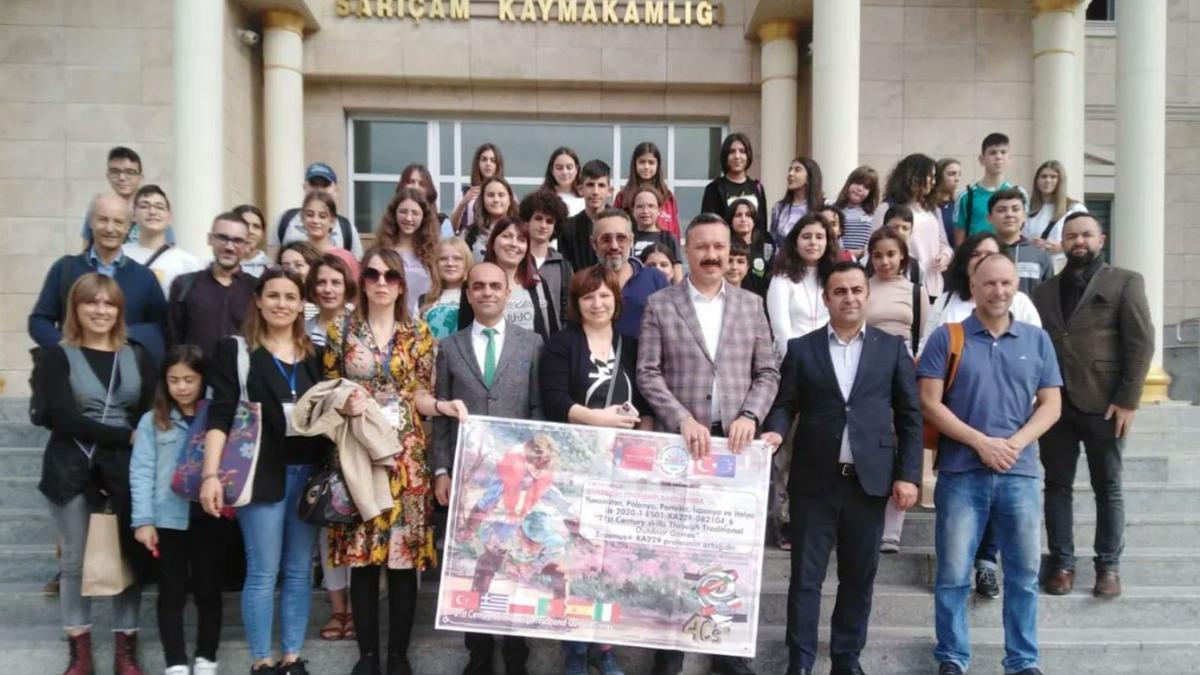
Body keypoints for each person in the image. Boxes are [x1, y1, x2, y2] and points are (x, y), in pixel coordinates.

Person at [761, 261, 922, 675]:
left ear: (866, 294)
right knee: (805, 580)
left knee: (858, 578)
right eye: (839, 291)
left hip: (869, 484)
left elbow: (909, 415)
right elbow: (785, 404)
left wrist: (909, 474)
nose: (849, 297)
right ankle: (799, 662)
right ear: (826, 298)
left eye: (855, 290)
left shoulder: (891, 349)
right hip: (815, 483)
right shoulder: (803, 348)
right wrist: (775, 432)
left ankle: (846, 659)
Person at [637, 213, 780, 675]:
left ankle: (725, 650)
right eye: (702, 247)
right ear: (686, 248)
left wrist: (751, 414)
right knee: (674, 551)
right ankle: (669, 653)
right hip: (681, 447)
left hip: (734, 449)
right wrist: (680, 418)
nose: (712, 255)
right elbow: (647, 373)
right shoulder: (660, 304)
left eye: (720, 247)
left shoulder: (751, 305)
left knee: (727, 550)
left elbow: (768, 371)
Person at [322, 248, 468, 675]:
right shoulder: (340, 331)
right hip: (358, 455)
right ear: (362, 281)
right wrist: (343, 401)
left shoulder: (418, 334)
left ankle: (399, 656)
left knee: (403, 559)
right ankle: (368, 657)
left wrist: (442, 407)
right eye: (372, 274)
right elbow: (327, 391)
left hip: (406, 458)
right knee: (363, 559)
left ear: (402, 284)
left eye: (390, 275)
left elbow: (422, 393)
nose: (381, 282)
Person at [919, 253, 1062, 675]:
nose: (998, 291)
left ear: (1016, 285)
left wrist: (1011, 445)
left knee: (1022, 575)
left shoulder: (1038, 341)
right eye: (989, 284)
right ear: (974, 286)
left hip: (1019, 473)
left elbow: (1051, 405)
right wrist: (981, 443)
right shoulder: (948, 337)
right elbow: (928, 401)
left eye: (1006, 283)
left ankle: (1021, 661)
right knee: (953, 575)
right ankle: (952, 657)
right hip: (962, 472)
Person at [199, 267, 334, 675]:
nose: (282, 304)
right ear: (258, 300)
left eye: (290, 297)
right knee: (262, 571)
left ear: (301, 305)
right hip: (260, 473)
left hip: (307, 472)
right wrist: (209, 475)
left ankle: (292, 658)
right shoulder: (236, 352)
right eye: (273, 296)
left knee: (297, 571)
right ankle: (261, 660)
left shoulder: (315, 353)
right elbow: (220, 416)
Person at [1032, 213, 1155, 599]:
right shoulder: (1044, 291)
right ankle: (1062, 564)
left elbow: (1141, 341)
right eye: (1071, 236)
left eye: (1086, 234)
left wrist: (1127, 399)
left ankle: (1108, 567)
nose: (1078, 241)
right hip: (1055, 404)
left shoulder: (1125, 281)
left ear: (1101, 238)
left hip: (1105, 402)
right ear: (1062, 242)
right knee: (1056, 486)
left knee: (1108, 486)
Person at [38, 274, 156, 675]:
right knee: (74, 562)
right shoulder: (56, 356)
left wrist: (142, 437)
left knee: (128, 555)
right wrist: (127, 434)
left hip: (125, 468)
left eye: (109, 304)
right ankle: (81, 652)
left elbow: (150, 407)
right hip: (72, 466)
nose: (100, 310)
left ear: (119, 310)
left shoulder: (136, 354)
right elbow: (63, 418)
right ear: (76, 308)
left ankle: (126, 651)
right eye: (91, 303)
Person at [432, 262, 545, 675]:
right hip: (469, 479)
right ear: (468, 292)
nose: (486, 292)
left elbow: (536, 411)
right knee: (471, 564)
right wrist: (441, 470)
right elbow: (440, 416)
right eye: (477, 286)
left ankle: (517, 656)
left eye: (495, 286)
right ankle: (477, 653)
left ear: (508, 292)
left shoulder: (532, 344)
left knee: (516, 563)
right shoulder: (449, 347)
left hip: (517, 483)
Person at [541, 266, 651, 675]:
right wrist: (598, 419)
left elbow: (647, 401)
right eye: (589, 296)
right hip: (574, 469)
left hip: (621, 471)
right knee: (576, 561)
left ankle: (605, 648)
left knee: (611, 561)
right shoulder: (561, 345)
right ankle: (574, 650)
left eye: (604, 295)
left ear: (616, 300)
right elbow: (553, 399)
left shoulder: (633, 344)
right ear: (577, 303)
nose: (597, 303)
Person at [130, 345, 223, 675]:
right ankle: (175, 662)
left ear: (202, 379)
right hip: (167, 519)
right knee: (171, 592)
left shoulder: (215, 416)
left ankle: (206, 656)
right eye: (174, 380)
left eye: (189, 379)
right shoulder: (152, 421)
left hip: (209, 516)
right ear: (164, 382)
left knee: (209, 588)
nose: (182, 387)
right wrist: (143, 521)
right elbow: (141, 471)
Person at [30, 193, 168, 363]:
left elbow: (159, 328)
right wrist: (66, 348)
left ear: (128, 227)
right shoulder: (65, 269)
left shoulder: (144, 277)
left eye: (118, 222)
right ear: (90, 222)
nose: (110, 229)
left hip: (124, 371)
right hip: (71, 370)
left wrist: (120, 338)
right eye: (103, 219)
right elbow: (39, 321)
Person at [863, 227, 931, 553]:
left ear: (902, 255)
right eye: (878, 255)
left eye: (891, 254)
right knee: (872, 441)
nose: (885, 261)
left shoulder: (916, 291)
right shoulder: (862, 288)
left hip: (902, 369)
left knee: (901, 439)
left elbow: (924, 335)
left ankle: (892, 529)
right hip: (866, 370)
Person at [924, 232, 1043, 348]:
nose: (982, 259)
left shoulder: (1020, 302)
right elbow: (926, 347)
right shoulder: (945, 301)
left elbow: (1036, 347)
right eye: (975, 254)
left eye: (990, 254)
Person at [167, 212, 257, 358]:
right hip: (197, 377)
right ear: (210, 239)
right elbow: (173, 340)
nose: (229, 246)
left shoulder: (256, 289)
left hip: (244, 378)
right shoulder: (184, 286)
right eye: (222, 238)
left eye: (237, 240)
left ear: (246, 245)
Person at [458, 217, 559, 339]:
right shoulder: (474, 283)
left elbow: (553, 334)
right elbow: (463, 336)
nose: (513, 244)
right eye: (507, 236)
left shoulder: (538, 284)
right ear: (493, 243)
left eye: (521, 239)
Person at [875, 153, 952, 300]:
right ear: (913, 176)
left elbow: (944, 244)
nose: (932, 182)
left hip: (933, 285)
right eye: (929, 176)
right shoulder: (887, 208)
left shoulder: (933, 210)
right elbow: (873, 247)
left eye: (934, 177)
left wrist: (945, 256)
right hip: (902, 284)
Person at [590, 208, 670, 340]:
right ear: (594, 243)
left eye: (621, 238)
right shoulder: (584, 283)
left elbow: (670, 328)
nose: (614, 246)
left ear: (632, 240)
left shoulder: (655, 279)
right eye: (606, 239)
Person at [767, 213, 838, 357]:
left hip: (831, 358)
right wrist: (795, 362)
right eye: (806, 237)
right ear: (795, 243)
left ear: (827, 242)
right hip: (794, 359)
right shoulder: (782, 279)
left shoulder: (835, 277)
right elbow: (781, 331)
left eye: (819, 237)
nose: (813, 242)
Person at [122, 185, 201, 297]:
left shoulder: (187, 262)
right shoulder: (120, 254)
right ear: (134, 214)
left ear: (169, 216)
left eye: (159, 207)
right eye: (144, 206)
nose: (152, 212)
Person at [271, 162, 364, 257]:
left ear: (336, 190)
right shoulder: (285, 219)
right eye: (313, 184)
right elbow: (273, 260)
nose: (319, 189)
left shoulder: (347, 228)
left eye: (325, 185)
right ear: (305, 187)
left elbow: (355, 266)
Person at [953, 132, 1027, 245]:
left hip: (1010, 256)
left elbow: (1024, 230)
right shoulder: (967, 196)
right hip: (977, 257)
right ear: (981, 159)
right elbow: (960, 238)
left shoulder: (1019, 194)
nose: (998, 157)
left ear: (1009, 158)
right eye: (993, 153)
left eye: (1003, 152)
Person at [377, 187, 438, 317]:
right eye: (403, 212)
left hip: (422, 324)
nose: (408, 218)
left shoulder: (434, 253)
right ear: (394, 214)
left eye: (415, 213)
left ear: (423, 217)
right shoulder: (381, 251)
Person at [80, 146, 157, 246]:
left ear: (140, 177)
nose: (122, 178)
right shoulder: (99, 207)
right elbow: (86, 249)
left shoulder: (154, 211)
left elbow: (167, 251)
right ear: (108, 176)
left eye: (130, 172)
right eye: (115, 171)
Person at [519, 189, 573, 324]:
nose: (543, 225)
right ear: (527, 221)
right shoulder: (514, 260)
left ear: (555, 227)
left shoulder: (564, 266)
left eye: (549, 221)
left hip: (554, 340)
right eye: (538, 218)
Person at [701, 132, 768, 239]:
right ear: (725, 156)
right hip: (727, 251)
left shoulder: (757, 187)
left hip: (754, 251)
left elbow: (762, 226)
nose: (737, 156)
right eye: (732, 151)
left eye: (742, 151)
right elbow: (708, 227)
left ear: (748, 155)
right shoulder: (714, 189)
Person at [989, 187, 1054, 296]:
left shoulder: (1040, 256)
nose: (1009, 214)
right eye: (1001, 210)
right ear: (989, 218)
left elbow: (1049, 299)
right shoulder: (982, 253)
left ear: (1024, 216)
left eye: (1015, 209)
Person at [1025, 160, 1088, 271]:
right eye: (1043, 176)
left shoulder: (1074, 209)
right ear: (1037, 181)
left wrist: (1062, 247)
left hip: (1065, 267)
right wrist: (1029, 243)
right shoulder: (1028, 211)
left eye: (1053, 177)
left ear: (1060, 181)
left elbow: (1087, 238)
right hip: (1037, 268)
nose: (1048, 180)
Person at [614, 141, 680, 238]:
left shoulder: (668, 196)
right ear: (634, 164)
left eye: (651, 162)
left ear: (658, 165)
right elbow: (615, 228)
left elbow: (675, 232)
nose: (646, 167)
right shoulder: (623, 197)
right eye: (642, 162)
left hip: (663, 250)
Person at [559, 159, 613, 271]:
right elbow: (565, 270)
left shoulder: (621, 224)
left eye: (601, 185)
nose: (595, 192)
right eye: (590, 185)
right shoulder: (567, 228)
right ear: (580, 189)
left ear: (609, 191)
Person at [627, 185, 683, 282]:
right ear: (633, 211)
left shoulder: (668, 238)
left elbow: (678, 278)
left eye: (651, 206)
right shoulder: (627, 238)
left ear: (659, 210)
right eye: (640, 206)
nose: (645, 211)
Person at [420, 238, 472, 341]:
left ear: (467, 262)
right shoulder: (423, 300)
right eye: (443, 259)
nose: (450, 263)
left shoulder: (474, 297)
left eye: (457, 258)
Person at [770, 156, 824, 249]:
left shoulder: (824, 205)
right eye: (790, 170)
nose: (790, 174)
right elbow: (773, 241)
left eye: (797, 170)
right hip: (784, 260)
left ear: (809, 177)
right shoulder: (779, 208)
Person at [305, 252, 358, 347]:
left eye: (335, 283)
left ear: (347, 287)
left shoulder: (360, 330)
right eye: (321, 282)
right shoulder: (302, 332)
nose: (328, 289)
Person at [451, 143, 504, 235]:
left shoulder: (506, 194)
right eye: (484, 159)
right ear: (478, 163)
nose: (488, 164)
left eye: (493, 160)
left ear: (498, 165)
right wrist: (464, 202)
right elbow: (452, 227)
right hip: (468, 244)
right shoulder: (466, 193)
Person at [463, 175, 518, 263]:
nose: (496, 199)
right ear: (483, 200)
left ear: (510, 200)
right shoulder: (470, 233)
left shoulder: (521, 230)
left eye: (501, 195)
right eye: (490, 195)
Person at [726, 198, 773, 298]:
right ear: (731, 220)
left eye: (748, 215)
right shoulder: (724, 246)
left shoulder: (766, 244)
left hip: (760, 303)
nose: (743, 219)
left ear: (754, 220)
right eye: (738, 215)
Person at [833, 165, 882, 259]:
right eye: (857, 183)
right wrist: (844, 254)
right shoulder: (834, 211)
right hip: (839, 260)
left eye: (866, 187)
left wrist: (862, 253)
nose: (860, 189)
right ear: (849, 183)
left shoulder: (874, 215)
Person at [396, 163, 454, 238]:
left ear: (428, 190)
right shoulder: (391, 221)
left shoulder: (442, 224)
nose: (416, 187)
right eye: (411, 182)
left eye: (421, 184)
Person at [541, 146, 585, 216]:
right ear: (552, 170)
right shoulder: (541, 200)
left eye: (569, 167)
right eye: (559, 168)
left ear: (577, 169)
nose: (564, 172)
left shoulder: (587, 198)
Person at [235, 204, 273, 278]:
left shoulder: (271, 269)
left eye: (256, 226)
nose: (250, 231)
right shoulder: (212, 267)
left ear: (263, 233)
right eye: (244, 224)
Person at [934, 158, 962, 246]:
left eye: (959, 174)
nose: (957, 179)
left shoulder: (959, 204)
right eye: (952, 174)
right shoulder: (928, 207)